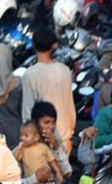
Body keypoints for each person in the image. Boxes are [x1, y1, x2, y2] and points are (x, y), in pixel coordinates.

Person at [21, 27, 76, 155]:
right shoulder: (64, 71)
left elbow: (28, 110)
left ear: (33, 45)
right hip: (63, 135)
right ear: (53, 46)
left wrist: (29, 135)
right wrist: (69, 135)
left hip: (40, 137)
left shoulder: (30, 74)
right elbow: (69, 105)